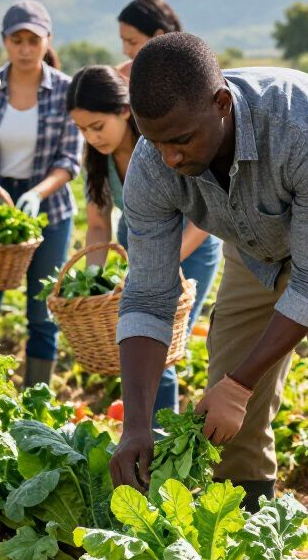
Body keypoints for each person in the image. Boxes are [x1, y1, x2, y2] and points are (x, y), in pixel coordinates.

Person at [109, 33, 308, 522]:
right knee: (224, 422)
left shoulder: (305, 125)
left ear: (221, 103)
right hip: (255, 250)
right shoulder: (153, 165)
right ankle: (248, 546)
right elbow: (148, 295)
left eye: (181, 140)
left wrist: (239, 386)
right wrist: (136, 424)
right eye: (156, 142)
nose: (171, 158)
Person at [67, 65, 221, 415]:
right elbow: (97, 225)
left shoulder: (159, 145)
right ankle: (145, 430)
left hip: (190, 241)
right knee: (137, 341)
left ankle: (160, 436)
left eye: (98, 126)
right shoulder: (98, 160)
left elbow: (204, 219)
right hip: (140, 239)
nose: (92, 137)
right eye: (82, 130)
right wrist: (95, 282)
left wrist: (158, 266)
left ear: (124, 110)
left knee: (159, 344)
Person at [0, 0, 82, 388]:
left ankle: (36, 396)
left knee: (42, 310)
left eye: (33, 39)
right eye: (17, 40)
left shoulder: (66, 91)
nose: (25, 48)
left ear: (48, 41)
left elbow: (69, 158)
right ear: (4, 42)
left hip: (50, 206)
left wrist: (38, 193)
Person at [116, 0, 183, 81]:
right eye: (123, 41)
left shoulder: (187, 75)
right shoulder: (122, 75)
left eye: (132, 42)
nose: (125, 51)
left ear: (158, 36)